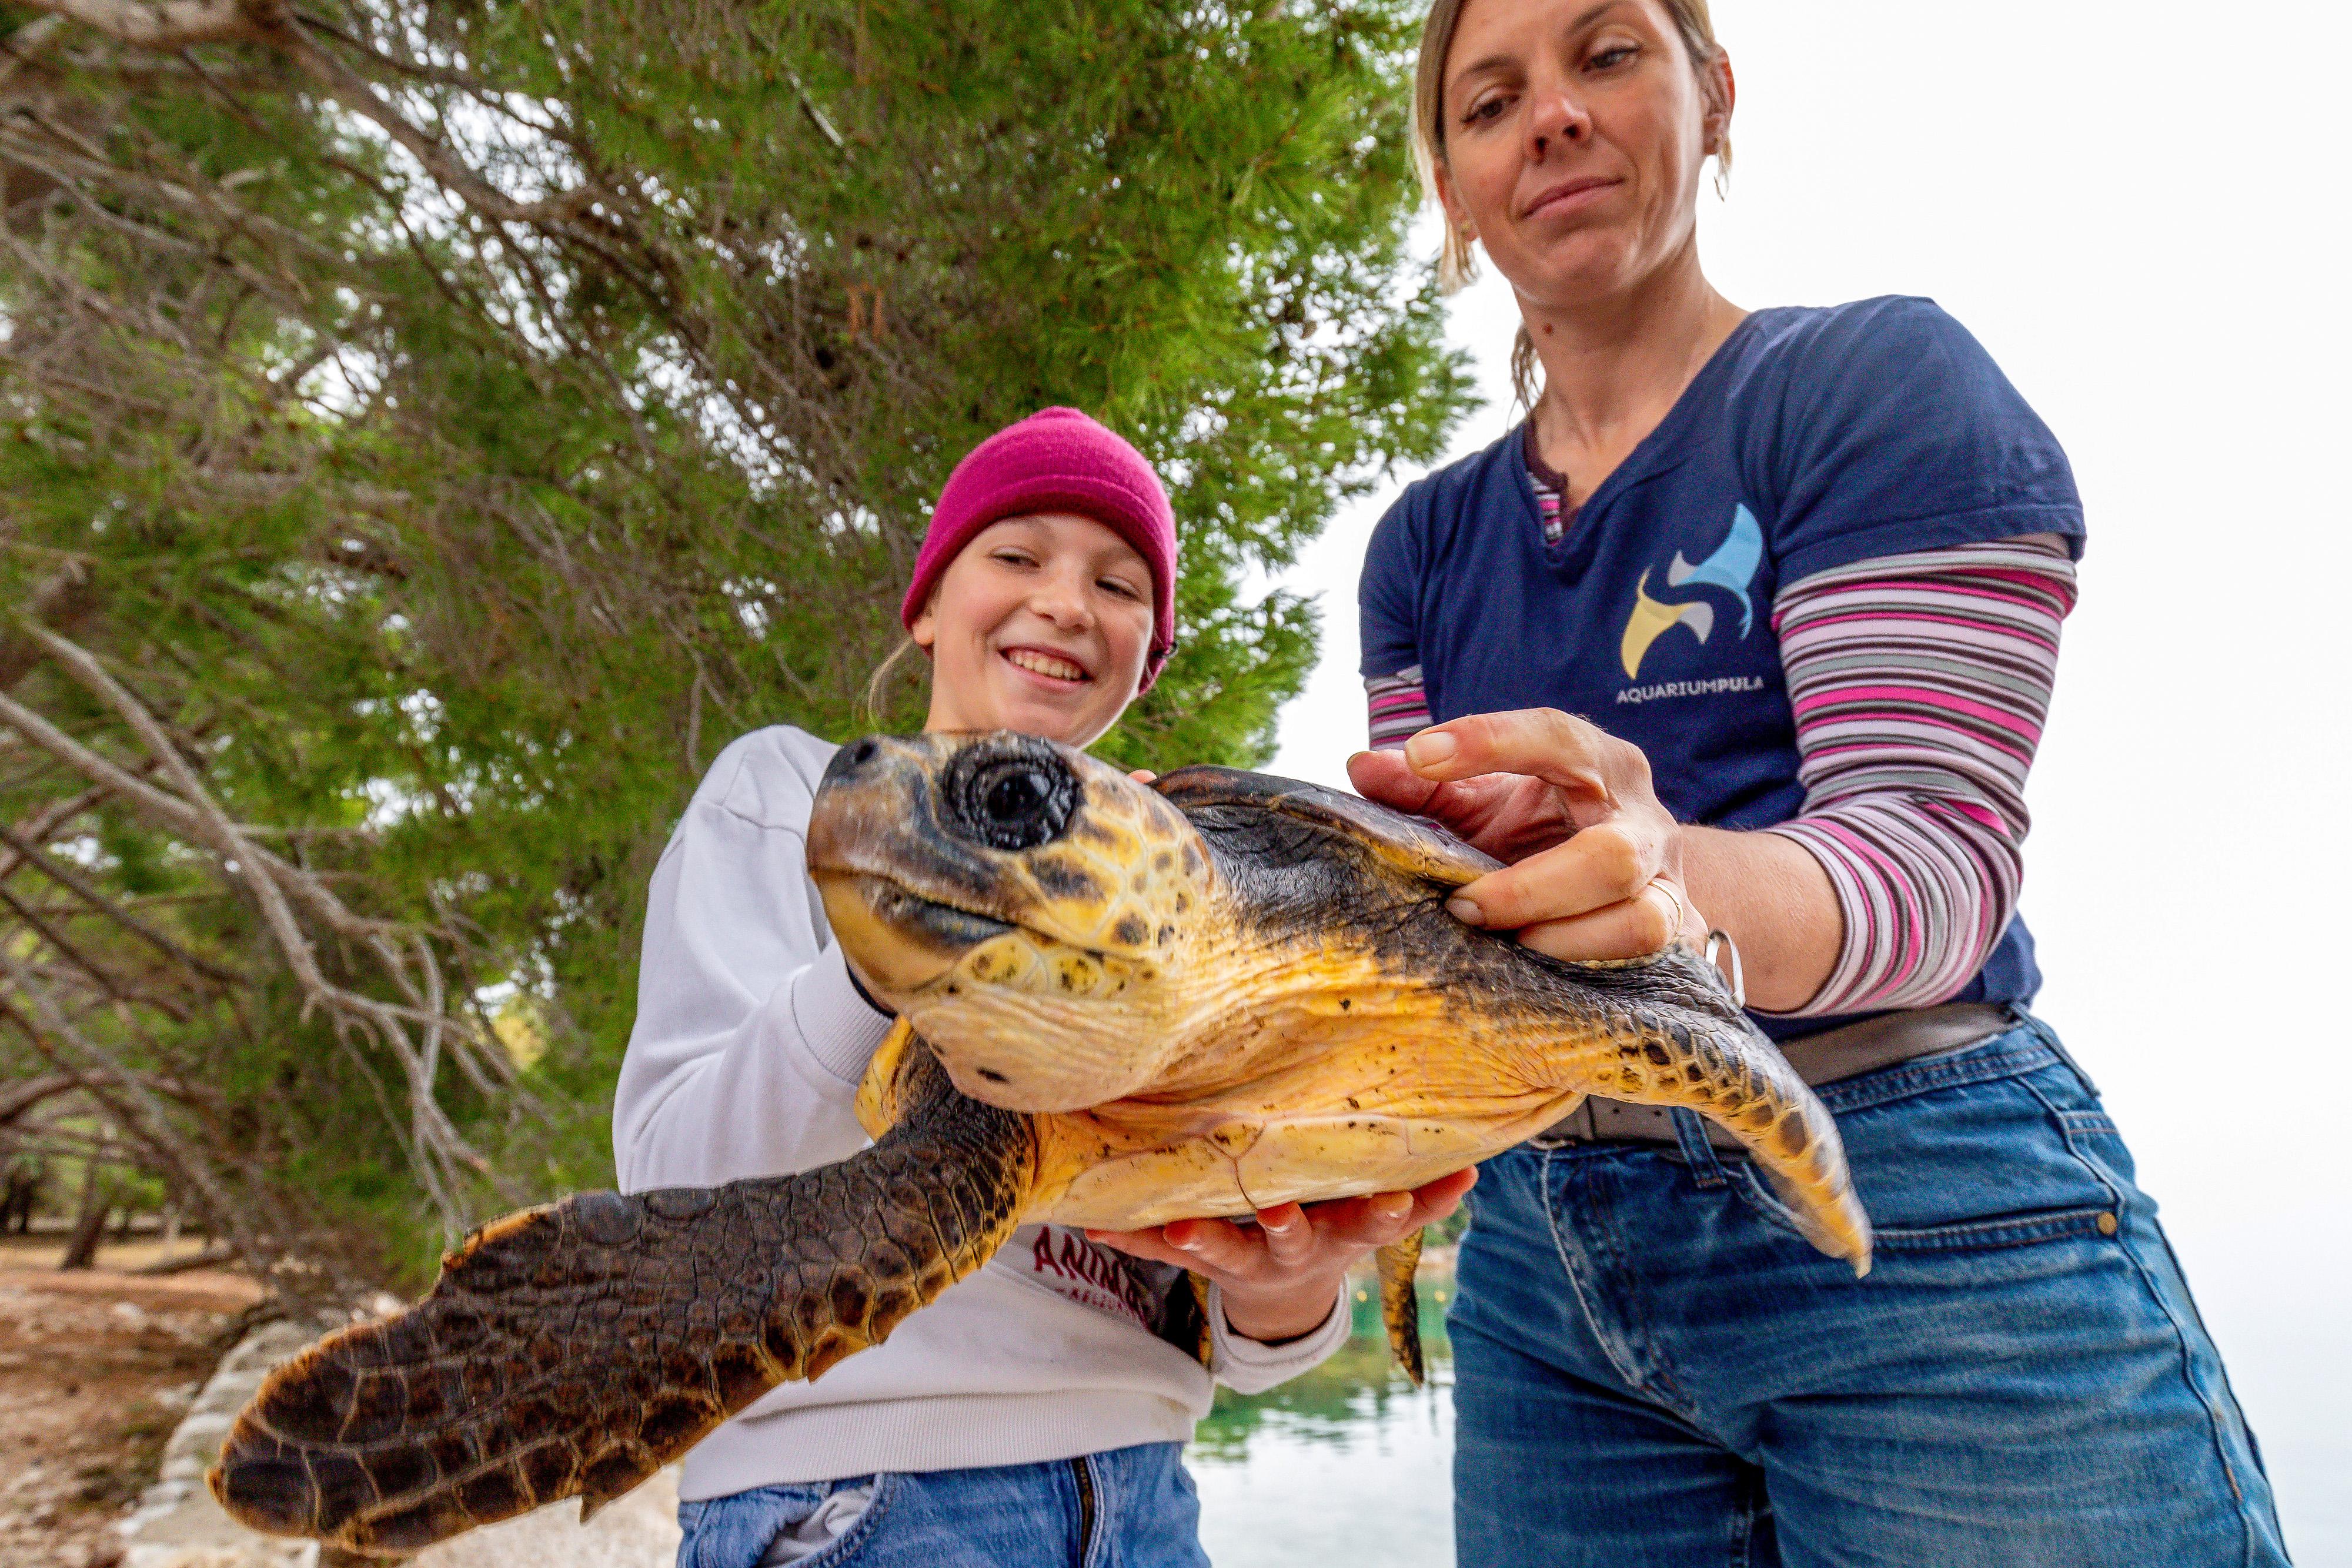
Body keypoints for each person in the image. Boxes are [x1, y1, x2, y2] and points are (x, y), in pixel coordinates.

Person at [1344, 2, 2292, 1564]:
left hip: (1906, 1196)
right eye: (1490, 98)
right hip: (1539, 1262)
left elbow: (1931, 860)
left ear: (1715, 95)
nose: (1553, 119)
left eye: (1607, 56)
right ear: (1451, 184)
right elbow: (1431, 933)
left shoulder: (1873, 381)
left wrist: (1671, 886)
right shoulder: (1423, 548)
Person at [614, 406, 1471, 1568]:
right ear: (925, 606)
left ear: (1145, 655)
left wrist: (1295, 1276)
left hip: (1150, 1499)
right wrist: (897, 940)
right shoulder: (790, 798)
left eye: (1119, 584)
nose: (1066, 600)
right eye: (1014, 555)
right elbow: (676, 1183)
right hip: (855, 1492)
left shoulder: (1182, 899)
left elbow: (1233, 1336)